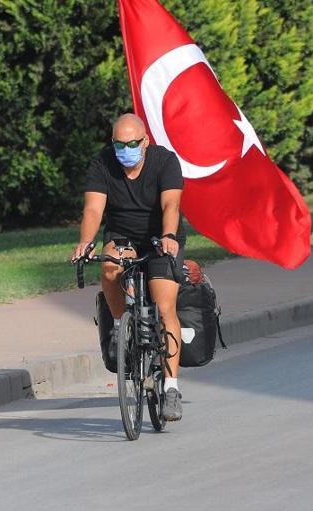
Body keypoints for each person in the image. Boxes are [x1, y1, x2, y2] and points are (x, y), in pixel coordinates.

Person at [71, 113, 186, 421]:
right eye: (119, 144)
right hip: (122, 234)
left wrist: (169, 236)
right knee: (109, 267)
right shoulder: (103, 164)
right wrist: (86, 241)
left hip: (161, 236)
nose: (125, 150)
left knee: (164, 308)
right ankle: (122, 327)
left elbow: (170, 205)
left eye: (132, 143)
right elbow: (94, 208)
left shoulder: (165, 161)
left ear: (145, 141)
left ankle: (172, 387)